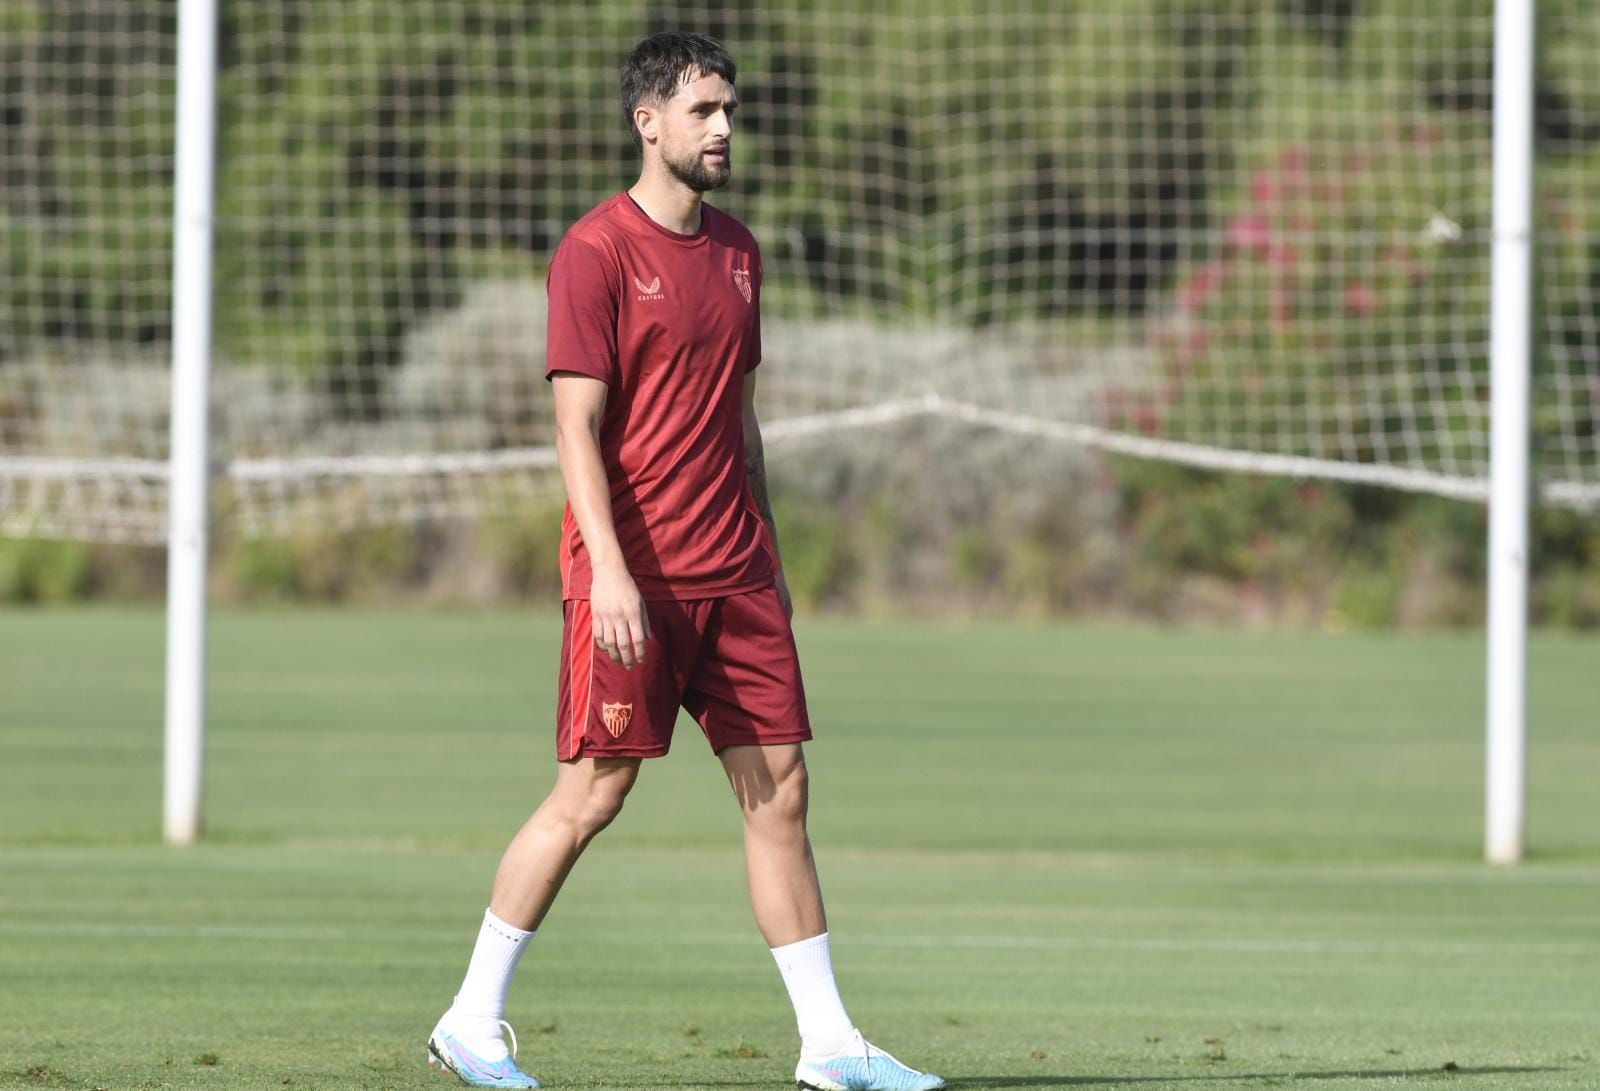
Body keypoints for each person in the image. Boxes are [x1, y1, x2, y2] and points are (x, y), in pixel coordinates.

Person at [425, 31, 945, 1091]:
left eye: (729, 109)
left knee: (780, 791)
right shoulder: (595, 252)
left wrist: (772, 553)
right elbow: (575, 429)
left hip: (737, 572)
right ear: (647, 121)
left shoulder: (742, 252)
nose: (722, 127)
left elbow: (740, 423)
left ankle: (830, 1044)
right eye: (703, 109)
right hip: (635, 580)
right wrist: (610, 573)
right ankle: (469, 1019)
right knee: (592, 793)